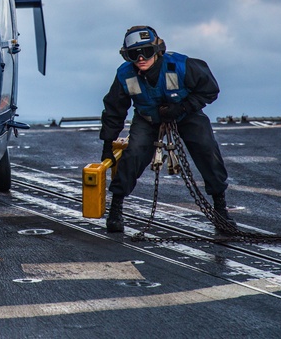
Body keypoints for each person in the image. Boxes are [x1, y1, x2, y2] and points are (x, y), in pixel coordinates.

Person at [99, 25, 235, 235]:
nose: (141, 58)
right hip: (148, 118)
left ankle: (220, 209)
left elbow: (210, 89)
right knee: (133, 153)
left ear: (158, 50)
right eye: (134, 54)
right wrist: (108, 143)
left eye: (146, 52)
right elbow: (114, 109)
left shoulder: (181, 65)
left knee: (206, 149)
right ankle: (116, 209)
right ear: (127, 56)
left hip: (186, 114)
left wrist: (183, 107)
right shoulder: (125, 75)